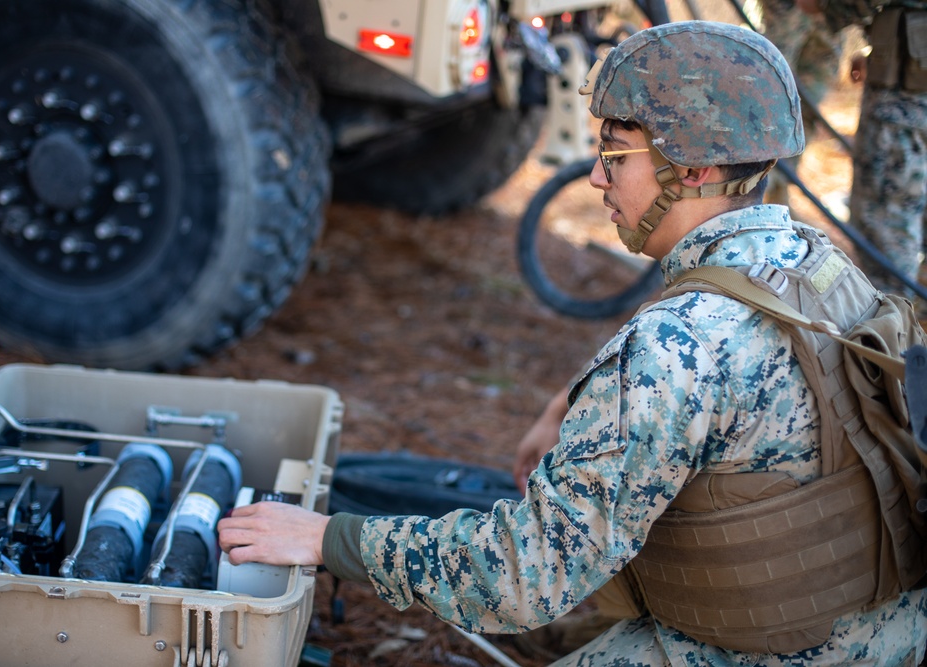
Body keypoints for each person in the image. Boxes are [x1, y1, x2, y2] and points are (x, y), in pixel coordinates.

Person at [218, 22, 927, 665]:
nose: (595, 176)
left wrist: (326, 539)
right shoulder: (814, 260)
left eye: (616, 154)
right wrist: (574, 398)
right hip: (875, 618)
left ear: (697, 169)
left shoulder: (671, 347)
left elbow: (524, 577)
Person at [797, 0, 927, 298]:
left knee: (884, 222)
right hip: (907, 72)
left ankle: (891, 326)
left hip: (905, 98)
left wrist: (826, 7)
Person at [759, 0, 845, 207]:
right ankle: (754, 194)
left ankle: (779, 193)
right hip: (784, 11)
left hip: (831, 11)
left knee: (806, 106)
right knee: (766, 95)